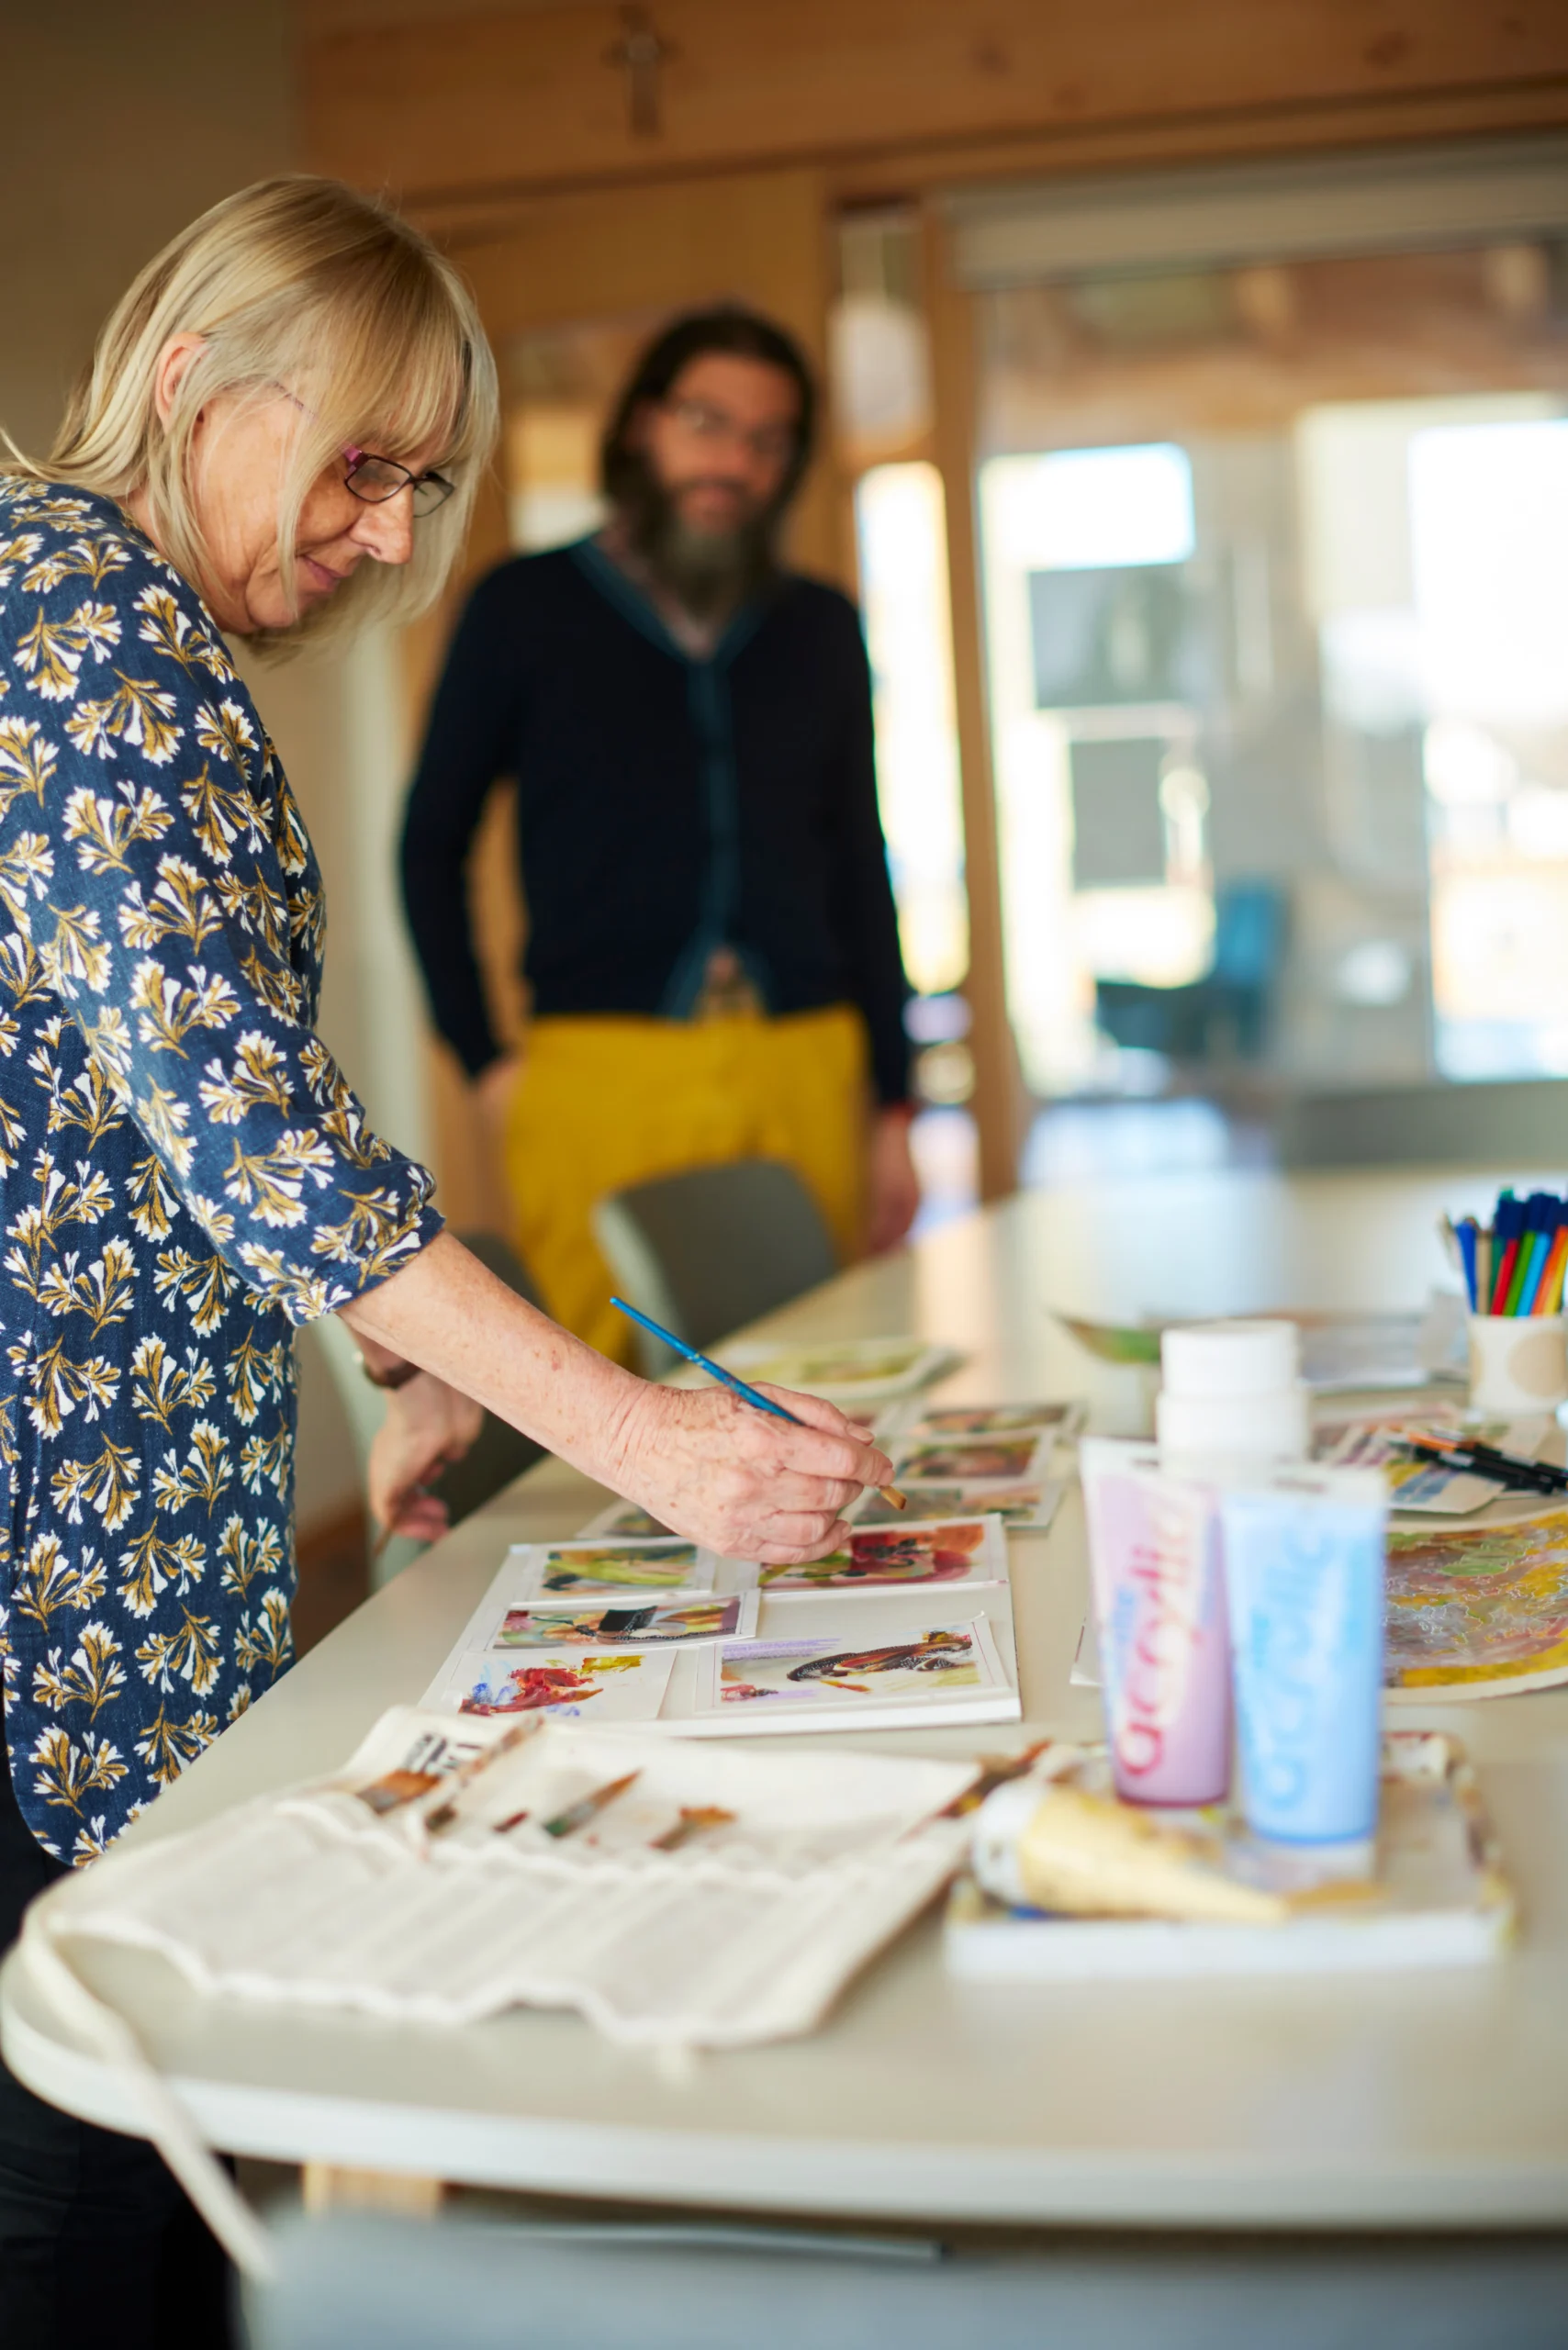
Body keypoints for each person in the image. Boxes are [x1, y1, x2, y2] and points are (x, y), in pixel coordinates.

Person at [0, 178, 892, 2350]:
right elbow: (247, 1127)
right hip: (58, 1540)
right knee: (97, 2141)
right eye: (368, 470)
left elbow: (152, 1112)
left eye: (424, 486)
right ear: (201, 377)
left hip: (121, 1495)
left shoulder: (96, 614)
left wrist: (393, 1365)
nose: (393, 539)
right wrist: (640, 1433)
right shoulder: (96, 640)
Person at [399, 308, 920, 1363]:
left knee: (820, 1363)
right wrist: (486, 1061)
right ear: (642, 426)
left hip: (808, 1059)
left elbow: (861, 863)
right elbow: (427, 846)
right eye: (707, 421)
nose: (735, 459)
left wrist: (897, 1105)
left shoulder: (819, 625)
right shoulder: (523, 608)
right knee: (601, 1382)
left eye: (769, 439)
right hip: (600, 1068)